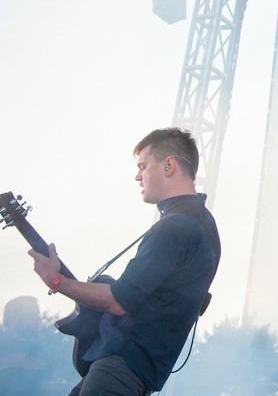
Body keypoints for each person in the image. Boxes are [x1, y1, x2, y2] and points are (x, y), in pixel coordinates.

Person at [28, 127, 221, 396]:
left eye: (143, 166)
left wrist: (56, 281)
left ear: (169, 166)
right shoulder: (205, 226)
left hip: (120, 367)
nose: (137, 176)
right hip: (138, 371)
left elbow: (118, 301)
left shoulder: (175, 226)